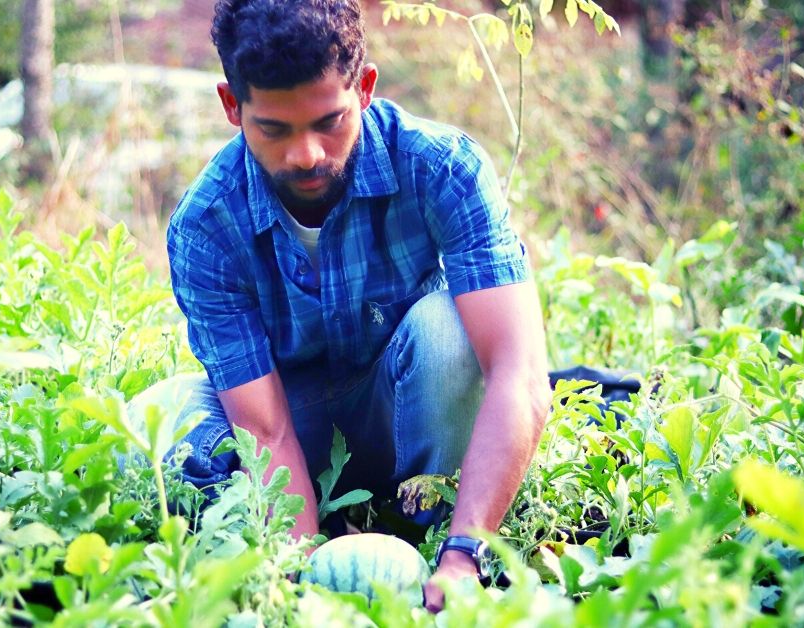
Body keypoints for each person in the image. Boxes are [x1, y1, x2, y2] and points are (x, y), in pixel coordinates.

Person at [161, 0, 550, 611]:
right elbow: (263, 427)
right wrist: (301, 577)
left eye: (328, 121)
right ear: (232, 107)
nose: (307, 155)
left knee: (448, 329)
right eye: (275, 129)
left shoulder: (442, 166)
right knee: (167, 419)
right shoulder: (206, 227)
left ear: (364, 88)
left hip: (406, 413)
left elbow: (518, 374)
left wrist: (465, 554)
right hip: (291, 429)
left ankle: (428, 526)